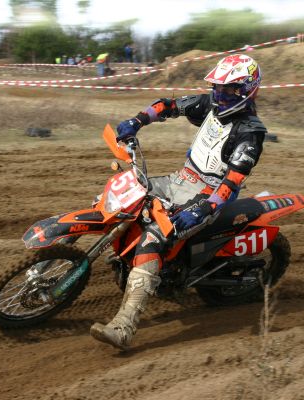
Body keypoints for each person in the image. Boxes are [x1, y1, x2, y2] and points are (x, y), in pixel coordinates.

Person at [90, 54, 267, 350]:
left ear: (246, 90)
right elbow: (168, 106)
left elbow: (232, 182)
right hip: (180, 179)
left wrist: (206, 208)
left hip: (209, 195)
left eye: (228, 89)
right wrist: (137, 121)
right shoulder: (210, 104)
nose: (219, 94)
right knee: (122, 197)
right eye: (217, 87)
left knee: (154, 238)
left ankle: (124, 326)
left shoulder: (250, 132)